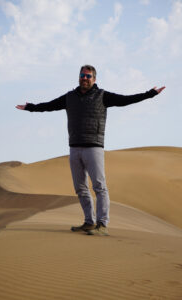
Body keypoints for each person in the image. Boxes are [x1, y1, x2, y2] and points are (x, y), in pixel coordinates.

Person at [16, 65, 165, 236]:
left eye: (88, 76)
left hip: (94, 147)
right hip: (74, 148)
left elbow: (126, 100)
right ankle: (89, 222)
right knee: (80, 188)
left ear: (94, 79)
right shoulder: (69, 97)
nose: (84, 78)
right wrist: (30, 107)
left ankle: (102, 224)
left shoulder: (103, 96)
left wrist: (150, 94)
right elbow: (49, 105)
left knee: (99, 187)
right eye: (82, 75)